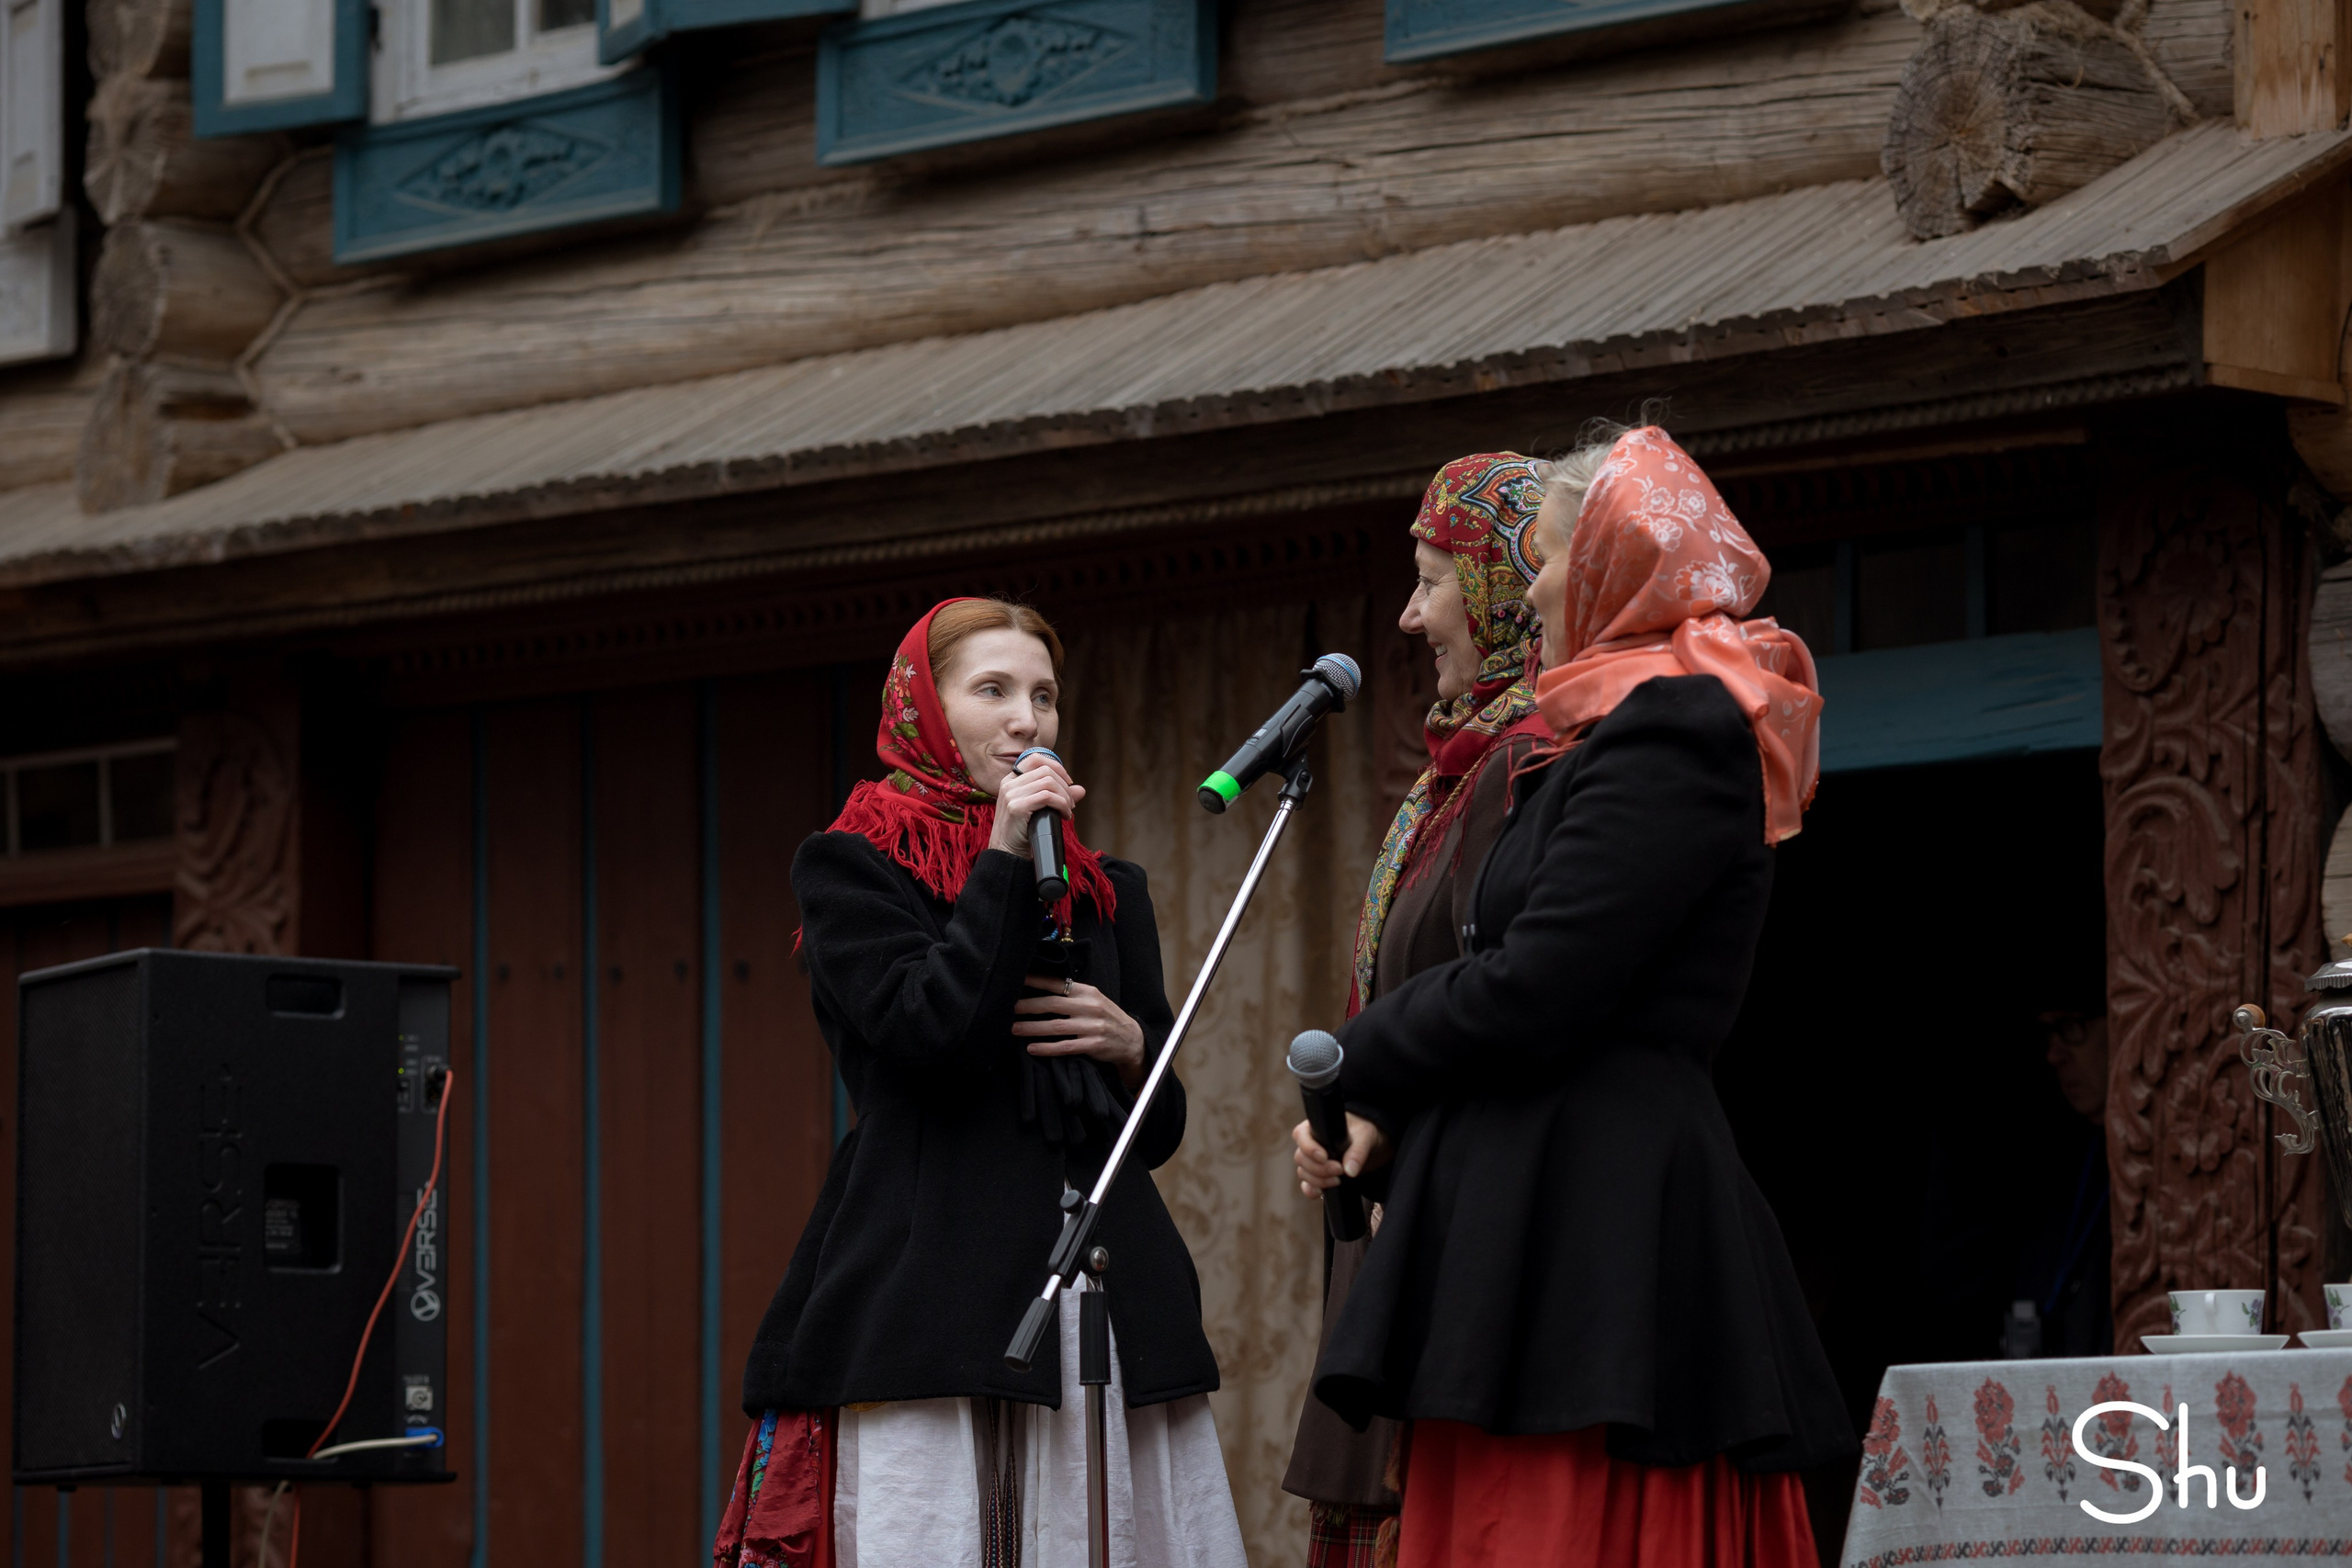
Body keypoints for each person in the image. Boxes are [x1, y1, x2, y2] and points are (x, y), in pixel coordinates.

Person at [1294, 426, 1854, 1567]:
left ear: (1605, 571)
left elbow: (1546, 982)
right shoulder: (1597, 734)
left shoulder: (1679, 727)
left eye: (1548, 560)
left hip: (1600, 1223)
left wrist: (1360, 1056)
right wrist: (1385, 1110)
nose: (1534, 585)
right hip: (1528, 1212)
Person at [718, 597, 1248, 1568]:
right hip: (935, 1294)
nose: (1025, 720)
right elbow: (932, 1036)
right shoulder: (850, 869)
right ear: (923, 708)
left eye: (1043, 696)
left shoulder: (1107, 890)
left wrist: (1135, 1047)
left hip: (1105, 1289)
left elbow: (1156, 1131)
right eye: (992, 690)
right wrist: (1003, 858)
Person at [1280, 452, 1565, 1568]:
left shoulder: (1534, 764)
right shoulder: (1459, 765)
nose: (1408, 616)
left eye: (1433, 581)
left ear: (1502, 590)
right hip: (1409, 1200)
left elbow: (1509, 993)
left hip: (1472, 1212)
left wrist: (1386, 1112)